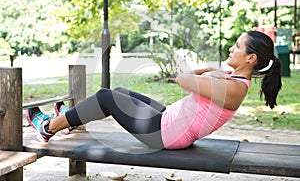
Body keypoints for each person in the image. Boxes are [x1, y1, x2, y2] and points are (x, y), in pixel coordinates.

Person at [26, 31, 282, 150]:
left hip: (165, 134)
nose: (231, 49)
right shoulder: (232, 80)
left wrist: (204, 70)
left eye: (237, 47)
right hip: (170, 122)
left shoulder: (233, 88)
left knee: (106, 97)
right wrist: (212, 73)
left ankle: (48, 127)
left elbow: (181, 79)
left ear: (251, 59)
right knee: (119, 92)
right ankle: (69, 120)